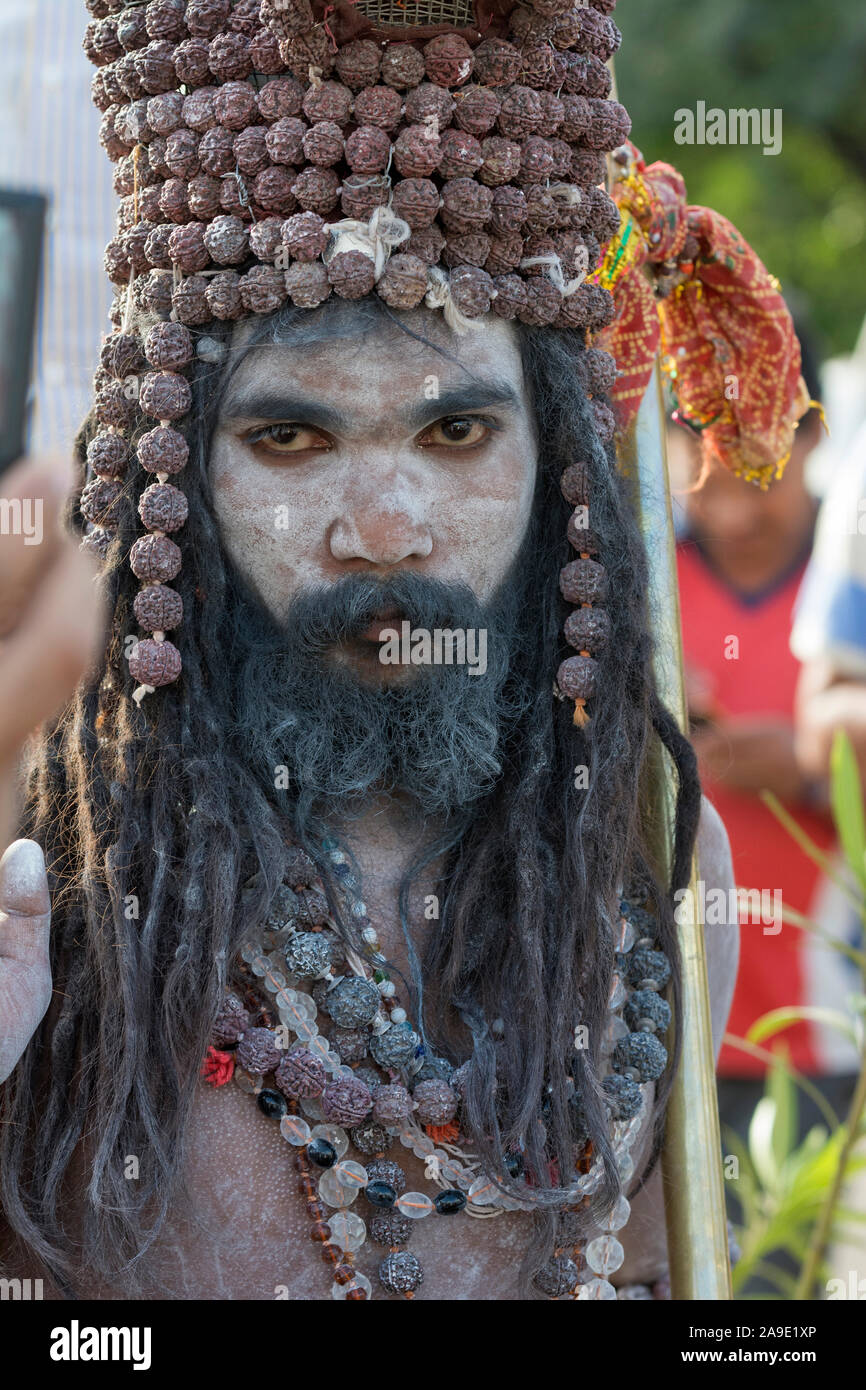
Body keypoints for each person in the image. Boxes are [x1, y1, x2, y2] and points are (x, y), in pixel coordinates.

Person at [0, 0, 740, 1304]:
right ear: (175, 475)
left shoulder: (644, 848)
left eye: (456, 434)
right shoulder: (47, 863)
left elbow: (652, 1275)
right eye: (290, 440)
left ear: (562, 460)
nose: (383, 532)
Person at [674, 331, 860, 1140]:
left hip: (825, 1038)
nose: (738, 510)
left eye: (762, 474)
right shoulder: (629, 583)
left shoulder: (847, 586)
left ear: (814, 434)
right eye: (710, 475)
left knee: (795, 1267)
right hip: (666, 1030)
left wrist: (813, 772)